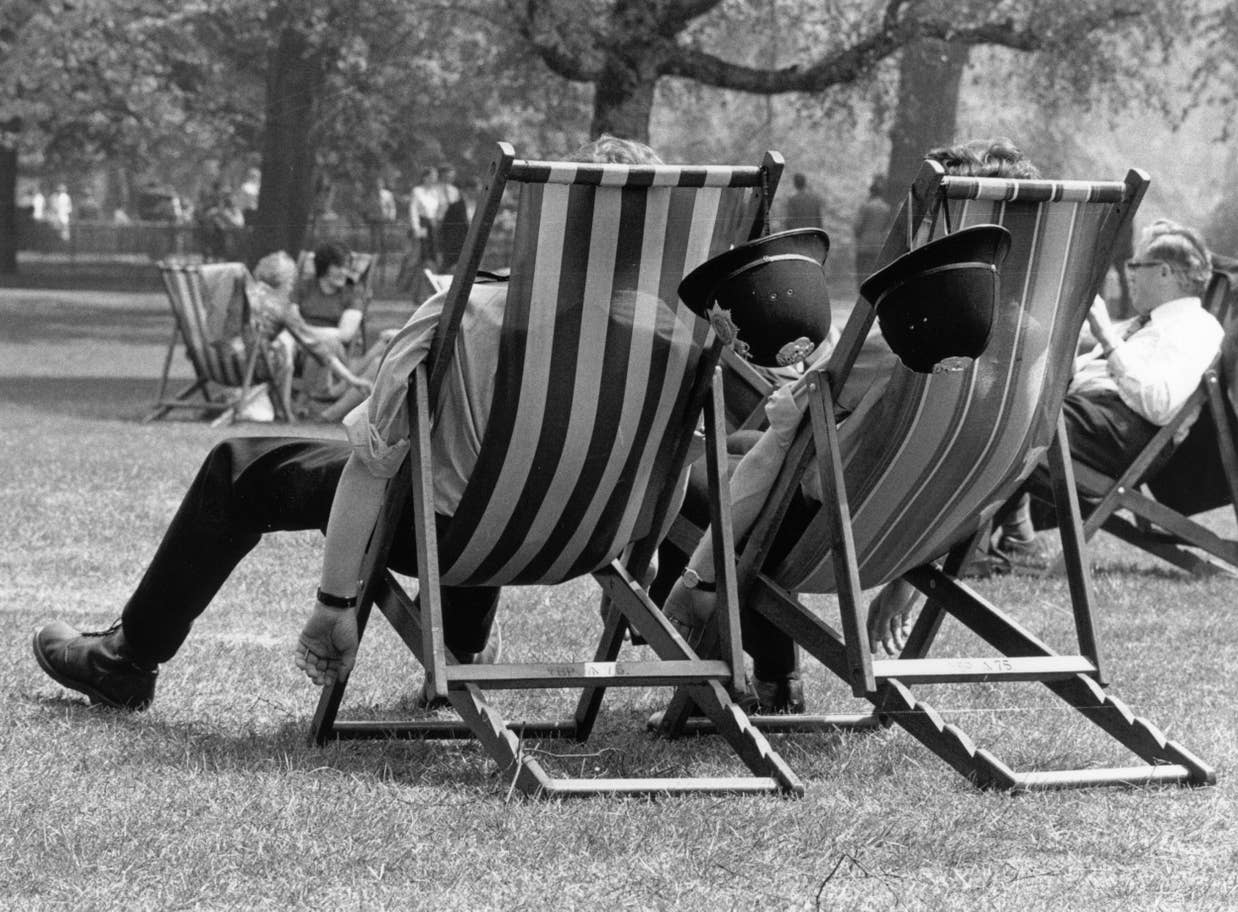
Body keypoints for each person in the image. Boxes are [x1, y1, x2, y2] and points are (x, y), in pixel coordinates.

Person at [31, 135, 667, 712]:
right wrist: (638, 565)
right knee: (469, 462)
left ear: (553, 217)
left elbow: (373, 460)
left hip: (445, 536)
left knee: (241, 468)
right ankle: (464, 653)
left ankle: (126, 659)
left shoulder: (467, 310)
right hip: (585, 543)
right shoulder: (672, 336)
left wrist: (334, 605)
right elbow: (672, 463)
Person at [659, 138, 1044, 712]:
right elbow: (979, 465)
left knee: (689, 478)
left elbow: (790, 426)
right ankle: (770, 677)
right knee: (747, 446)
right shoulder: (1036, 338)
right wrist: (910, 572)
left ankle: (757, 672)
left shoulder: (909, 331)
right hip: (922, 523)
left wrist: (698, 579)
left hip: (841, 526)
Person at [955, 218, 1227, 583]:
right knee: (998, 400)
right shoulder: (1149, 323)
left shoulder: (1196, 327)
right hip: (1100, 418)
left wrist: (1107, 337)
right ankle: (984, 543)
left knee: (1003, 420)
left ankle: (966, 548)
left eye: (1136, 265)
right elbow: (1089, 368)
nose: (1128, 274)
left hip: (1121, 432)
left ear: (1165, 273)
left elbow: (1160, 403)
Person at [234, 251, 377, 414]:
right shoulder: (283, 305)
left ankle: (299, 403)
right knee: (287, 348)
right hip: (260, 364)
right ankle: (289, 408)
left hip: (224, 360)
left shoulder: (245, 294)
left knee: (297, 344)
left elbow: (344, 335)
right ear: (286, 281)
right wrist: (352, 379)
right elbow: (314, 345)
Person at [852, 176, 891, 284]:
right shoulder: (886, 208)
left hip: (864, 244)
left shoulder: (865, 206)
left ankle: (860, 294)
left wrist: (858, 236)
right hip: (878, 245)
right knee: (873, 271)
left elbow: (857, 226)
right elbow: (886, 228)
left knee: (861, 270)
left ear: (871, 193)